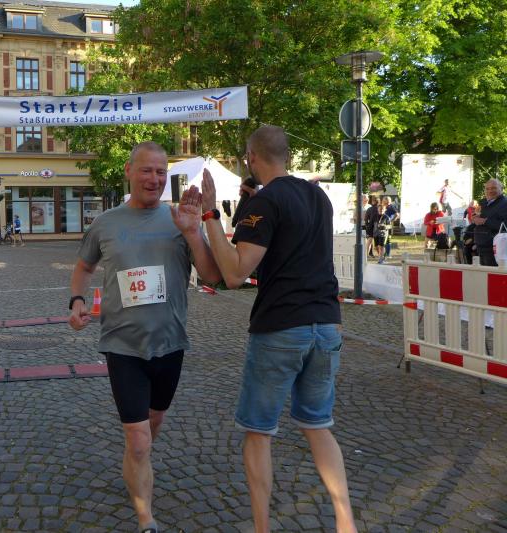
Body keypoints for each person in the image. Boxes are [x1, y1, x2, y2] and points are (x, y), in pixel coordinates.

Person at [197, 125, 357, 533]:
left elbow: (234, 274)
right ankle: (346, 522)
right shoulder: (318, 197)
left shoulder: (265, 203)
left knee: (258, 431)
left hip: (282, 326)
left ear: (251, 157)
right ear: (286, 155)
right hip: (327, 325)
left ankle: (262, 527)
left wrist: (211, 215)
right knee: (318, 426)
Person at [67, 141, 221, 533]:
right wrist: (77, 300)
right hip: (122, 344)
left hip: (170, 343)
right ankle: (146, 519)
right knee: (138, 440)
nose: (154, 179)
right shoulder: (106, 223)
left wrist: (193, 231)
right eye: (146, 170)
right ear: (129, 171)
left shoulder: (179, 219)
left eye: (160, 172)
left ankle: (136, 460)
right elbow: (83, 267)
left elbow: (212, 277)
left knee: (151, 427)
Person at [472, 179, 507, 266]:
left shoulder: (505, 203)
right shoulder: (483, 202)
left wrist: (485, 221)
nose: (490, 191)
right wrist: (475, 218)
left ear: (501, 188)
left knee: (493, 274)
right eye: (487, 189)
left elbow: (505, 225)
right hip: (480, 247)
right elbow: (480, 217)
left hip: (496, 249)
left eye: (493, 188)